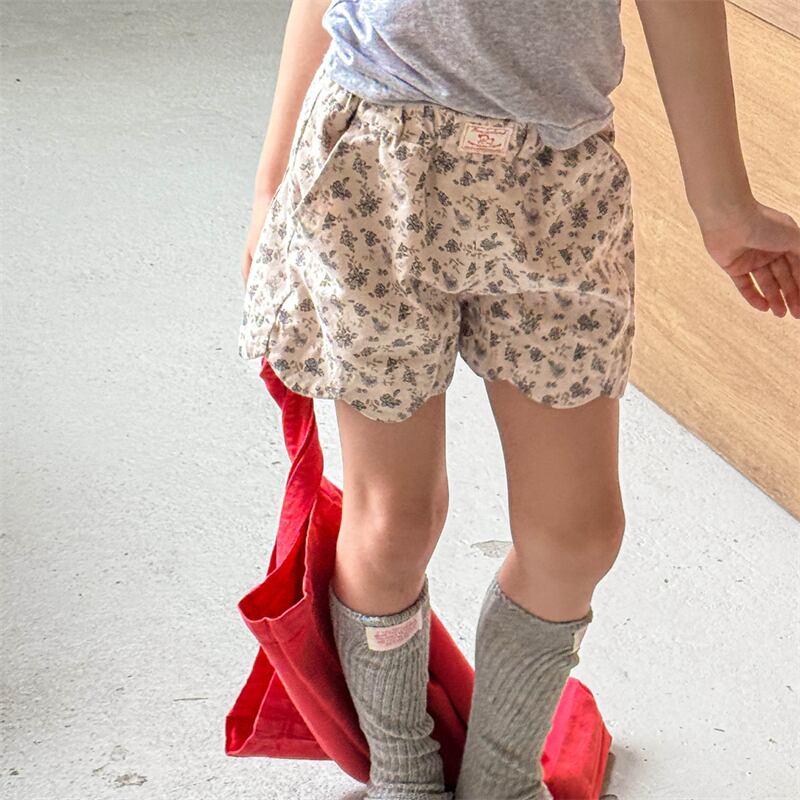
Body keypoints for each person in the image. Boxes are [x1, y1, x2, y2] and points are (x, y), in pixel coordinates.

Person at [238, 2, 800, 798]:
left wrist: (725, 207)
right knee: (393, 522)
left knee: (576, 536)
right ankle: (403, 775)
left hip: (559, 181)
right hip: (374, 167)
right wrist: (269, 186)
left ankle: (501, 780)